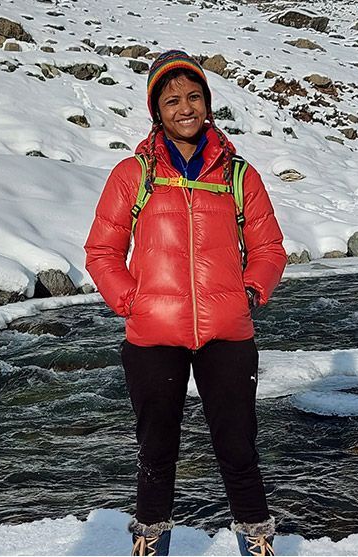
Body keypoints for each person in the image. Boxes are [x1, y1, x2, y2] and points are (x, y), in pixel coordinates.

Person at [84, 49, 287, 556]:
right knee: (156, 452)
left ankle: (257, 545)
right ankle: (151, 545)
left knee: (238, 449)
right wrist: (133, 302)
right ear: (157, 110)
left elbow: (269, 248)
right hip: (153, 335)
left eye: (194, 97)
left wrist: (250, 292)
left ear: (207, 103)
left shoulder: (238, 175)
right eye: (172, 100)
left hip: (227, 334)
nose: (185, 108)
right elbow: (102, 252)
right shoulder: (134, 174)